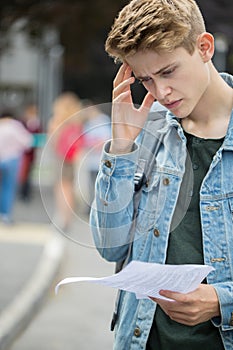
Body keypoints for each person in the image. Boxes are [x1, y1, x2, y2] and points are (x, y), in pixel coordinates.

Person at [90, 0, 233, 349]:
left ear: (204, 48)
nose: (160, 92)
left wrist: (222, 301)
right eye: (145, 80)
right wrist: (121, 148)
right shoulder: (145, 134)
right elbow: (111, 248)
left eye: (168, 72)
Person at [48, 92, 86, 231]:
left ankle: (62, 217)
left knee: (61, 189)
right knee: (69, 188)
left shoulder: (57, 121)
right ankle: (67, 218)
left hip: (60, 159)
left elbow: (52, 142)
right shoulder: (77, 121)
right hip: (72, 159)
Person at [0, 112, 33, 223]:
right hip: (12, 159)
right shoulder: (14, 126)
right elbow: (28, 141)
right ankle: (5, 214)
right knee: (8, 187)